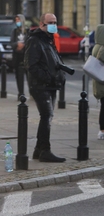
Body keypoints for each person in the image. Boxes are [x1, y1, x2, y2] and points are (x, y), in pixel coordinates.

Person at [24, 13, 68, 163]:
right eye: (50, 22)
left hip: (50, 85)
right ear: (42, 24)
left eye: (55, 22)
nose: (53, 25)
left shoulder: (48, 40)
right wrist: (48, 78)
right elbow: (31, 65)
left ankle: (38, 149)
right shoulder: (35, 40)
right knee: (46, 116)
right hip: (40, 86)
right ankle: (45, 150)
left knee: (47, 117)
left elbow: (53, 61)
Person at [9, 14, 27, 99]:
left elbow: (30, 41)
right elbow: (12, 43)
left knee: (29, 74)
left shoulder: (27, 31)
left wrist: (23, 45)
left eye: (18, 20)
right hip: (17, 55)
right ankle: (21, 93)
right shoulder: (14, 31)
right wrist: (17, 44)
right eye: (16, 20)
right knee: (18, 75)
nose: (17, 22)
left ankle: (32, 93)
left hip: (25, 55)